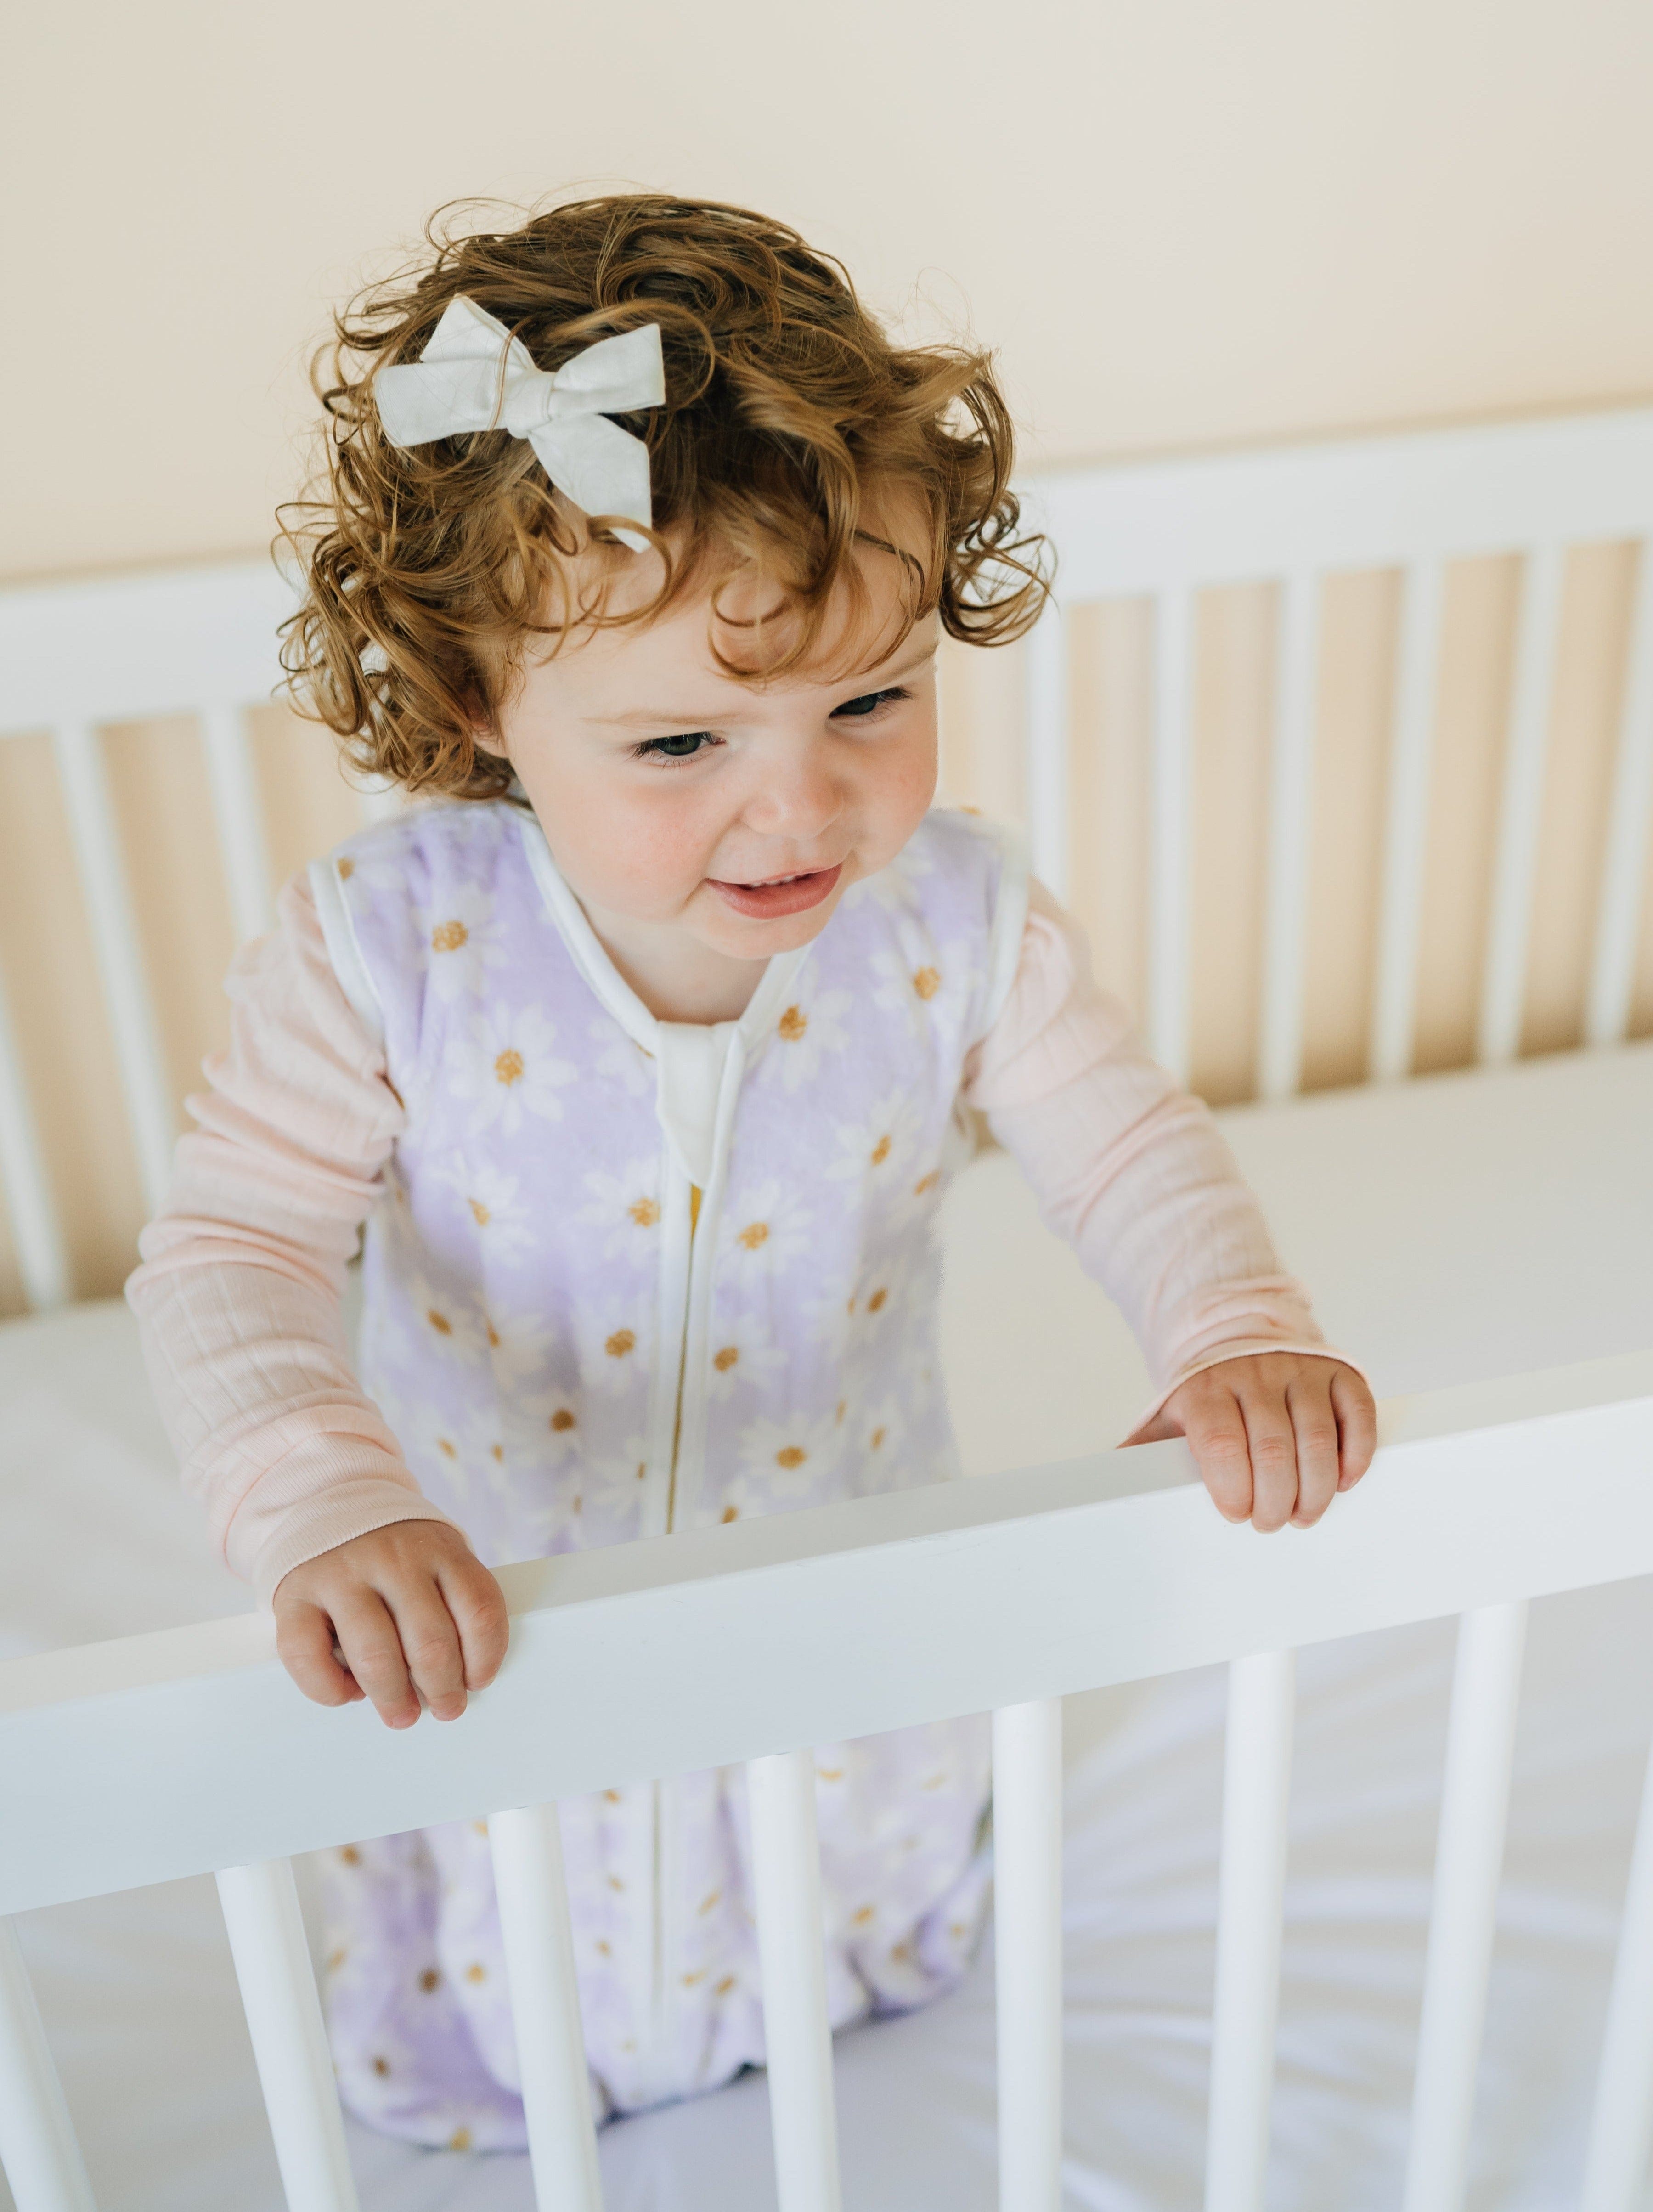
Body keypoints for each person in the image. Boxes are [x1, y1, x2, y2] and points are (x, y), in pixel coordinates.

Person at [127, 193, 1375, 2149]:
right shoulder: (388, 948)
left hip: (839, 1576)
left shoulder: (952, 920)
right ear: (479, 703)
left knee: (844, 1892)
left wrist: (1233, 1324)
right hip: (487, 1600)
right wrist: (321, 1494)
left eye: (869, 699)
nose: (800, 803)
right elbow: (228, 1251)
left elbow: (1127, 1139)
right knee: (506, 1919)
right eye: (686, 736)